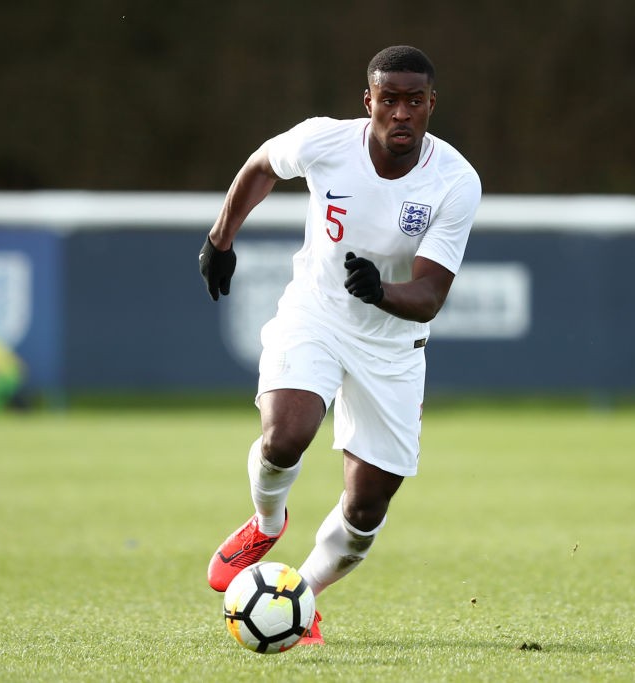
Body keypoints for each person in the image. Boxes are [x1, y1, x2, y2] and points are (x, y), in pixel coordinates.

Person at [199, 45, 481, 645]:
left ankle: (299, 595)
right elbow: (262, 165)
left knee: (366, 509)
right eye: (389, 99)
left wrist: (381, 292)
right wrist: (221, 239)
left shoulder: (456, 181)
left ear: (431, 104)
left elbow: (430, 294)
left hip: (393, 346)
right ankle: (265, 523)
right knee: (285, 435)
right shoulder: (324, 141)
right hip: (317, 314)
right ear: (368, 101)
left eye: (414, 101)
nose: (401, 113)